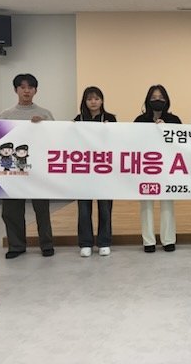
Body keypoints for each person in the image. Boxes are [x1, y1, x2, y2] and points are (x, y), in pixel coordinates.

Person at [0, 73, 55, 259]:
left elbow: (56, 138)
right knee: (11, 210)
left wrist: (43, 125)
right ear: (16, 90)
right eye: (22, 87)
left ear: (36, 90)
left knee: (42, 209)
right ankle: (16, 246)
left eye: (30, 87)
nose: (26, 91)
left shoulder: (45, 114)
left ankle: (46, 244)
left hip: (38, 169)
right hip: (13, 170)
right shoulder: (5, 115)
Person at [134, 85, 182, 253]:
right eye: (154, 98)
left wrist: (165, 128)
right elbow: (133, 141)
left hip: (167, 167)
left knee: (167, 204)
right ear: (148, 100)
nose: (157, 100)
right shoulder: (140, 120)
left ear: (166, 100)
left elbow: (181, 142)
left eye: (161, 98)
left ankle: (168, 240)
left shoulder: (174, 120)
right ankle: (148, 241)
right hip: (146, 167)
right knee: (146, 205)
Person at [74, 86, 116, 257]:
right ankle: (86, 243)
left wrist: (110, 129)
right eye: (90, 99)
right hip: (83, 170)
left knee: (105, 208)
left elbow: (118, 141)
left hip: (105, 170)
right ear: (85, 101)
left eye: (97, 98)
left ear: (102, 101)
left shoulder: (110, 119)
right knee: (84, 209)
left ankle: (104, 242)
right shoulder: (78, 120)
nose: (93, 102)